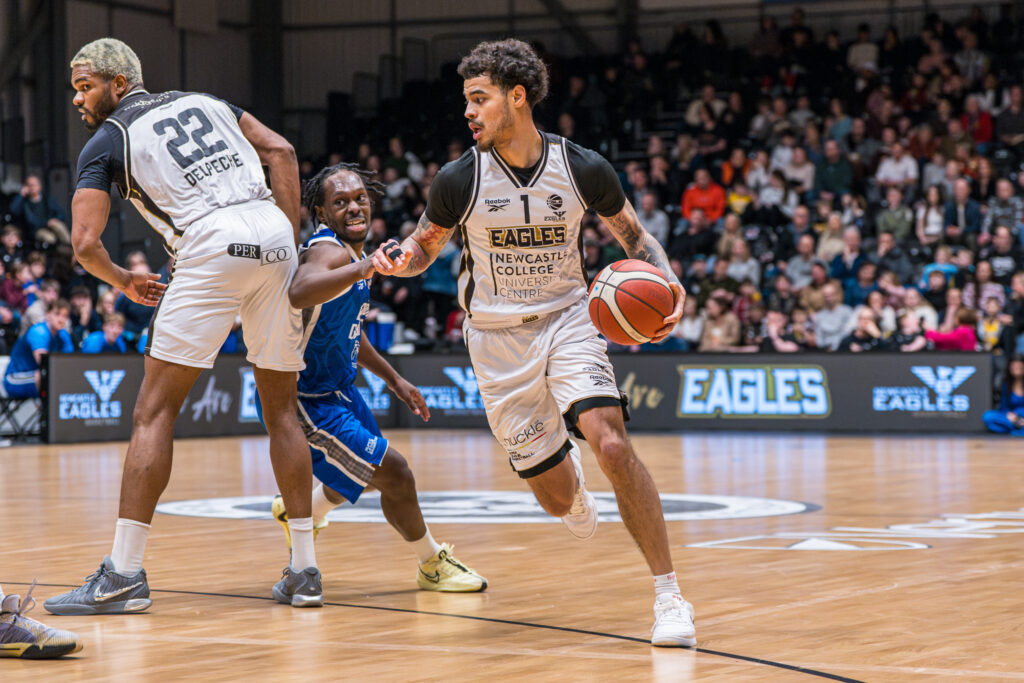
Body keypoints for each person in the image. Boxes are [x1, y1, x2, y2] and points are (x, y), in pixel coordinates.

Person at [370, 39, 695, 647]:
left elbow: (634, 237)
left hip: (570, 321)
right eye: (465, 100)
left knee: (613, 444)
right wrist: (397, 260)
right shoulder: (459, 180)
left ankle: (670, 597)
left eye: (478, 98)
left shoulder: (582, 168)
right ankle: (567, 483)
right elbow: (423, 249)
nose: (467, 112)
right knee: (555, 501)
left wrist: (669, 282)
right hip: (495, 343)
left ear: (517, 97)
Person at [46, 38, 319, 614]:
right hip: (271, 231)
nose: (78, 97)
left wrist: (122, 280)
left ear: (120, 84)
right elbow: (284, 152)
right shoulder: (209, 100)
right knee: (282, 412)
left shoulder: (107, 139)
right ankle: (305, 571)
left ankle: (122, 575)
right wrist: (288, 243)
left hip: (211, 241)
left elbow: (85, 244)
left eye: (85, 85)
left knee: (154, 411)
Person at [266, 162, 486, 593]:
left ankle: (298, 509)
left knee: (358, 474)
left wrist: (394, 380)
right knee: (396, 474)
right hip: (308, 401)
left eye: (360, 199)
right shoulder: (328, 251)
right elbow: (299, 291)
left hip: (341, 391)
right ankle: (430, 563)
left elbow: (350, 329)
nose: (354, 208)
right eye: (340, 202)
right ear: (322, 212)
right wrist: (366, 267)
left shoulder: (351, 256)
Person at [2, 300, 73, 398]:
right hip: (15, 378)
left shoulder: (63, 335)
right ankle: (49, 412)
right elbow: (44, 363)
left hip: (40, 377)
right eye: (57, 314)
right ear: (47, 315)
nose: (61, 319)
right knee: (45, 376)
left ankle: (58, 410)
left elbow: (70, 363)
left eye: (65, 316)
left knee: (59, 376)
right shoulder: (38, 331)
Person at [983, 355, 1024, 434]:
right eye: (1014, 367)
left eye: (1019, 367)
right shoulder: (1006, 384)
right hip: (1013, 418)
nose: (1016, 370)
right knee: (988, 416)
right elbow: (1004, 407)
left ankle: (1016, 428)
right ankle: (1016, 428)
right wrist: (1011, 416)